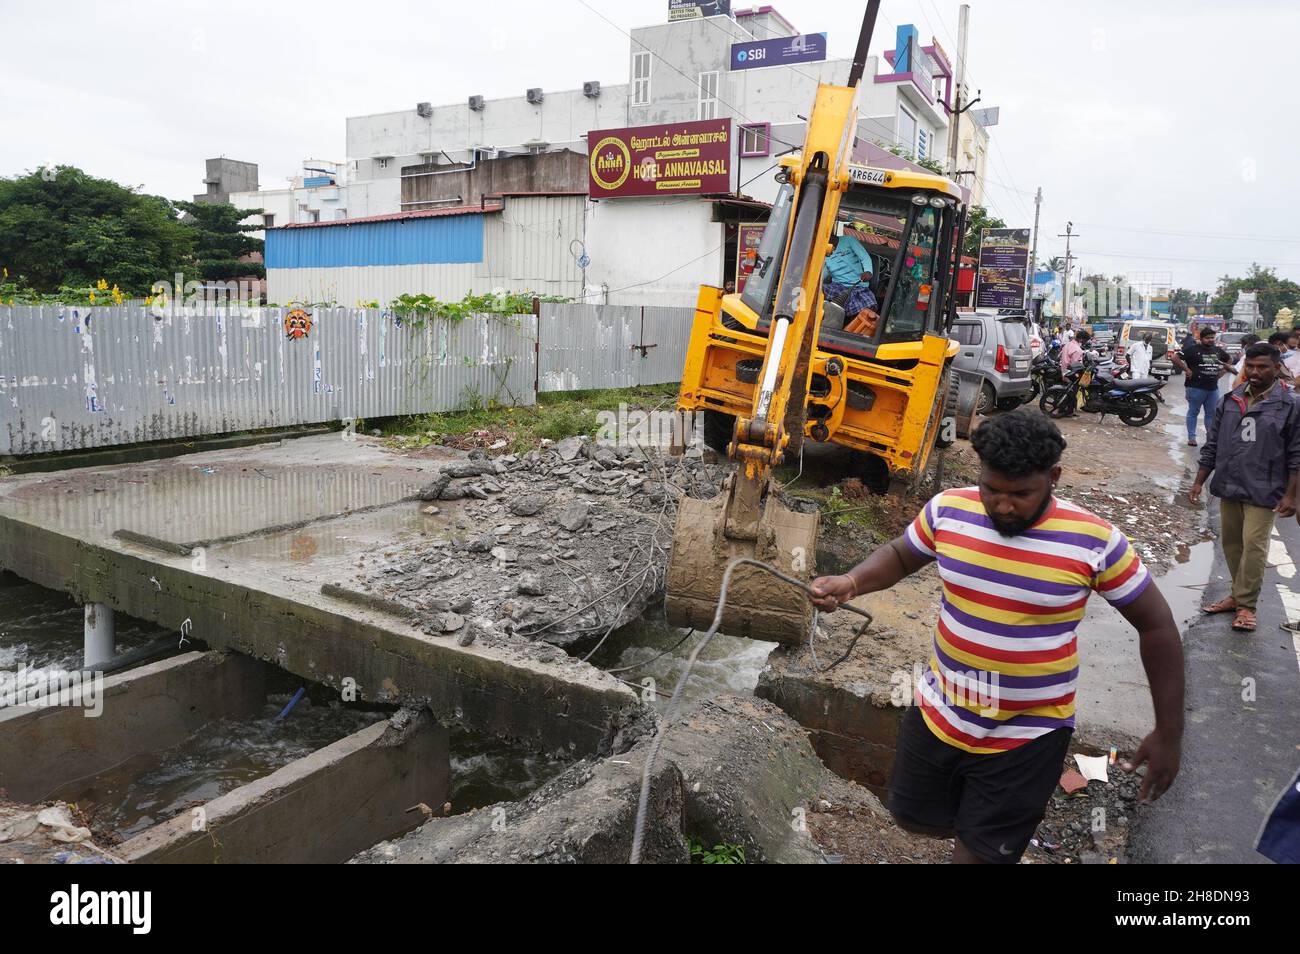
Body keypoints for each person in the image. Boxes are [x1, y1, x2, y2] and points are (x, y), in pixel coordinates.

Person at [809, 412, 1184, 864]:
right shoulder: (949, 509)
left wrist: (1168, 730)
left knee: (983, 853)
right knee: (911, 817)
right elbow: (900, 555)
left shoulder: (1094, 541)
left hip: (1028, 732)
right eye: (993, 490)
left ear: (1054, 478)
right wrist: (851, 582)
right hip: (939, 712)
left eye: (1021, 493)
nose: (1004, 506)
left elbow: (1158, 626)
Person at [1190, 343, 1300, 632]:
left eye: (1262, 367)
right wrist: (1200, 480)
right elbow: (1212, 444)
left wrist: (1291, 494)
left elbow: (1296, 453)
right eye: (1250, 366)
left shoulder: (1290, 404)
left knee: (1254, 546)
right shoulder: (1230, 399)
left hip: (1265, 488)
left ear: (1277, 368)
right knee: (1232, 543)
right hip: (1229, 483)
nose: (1254, 372)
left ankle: (1247, 607)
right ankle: (1238, 597)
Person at [1172, 326, 1232, 446]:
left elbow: (1229, 359)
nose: (1211, 340)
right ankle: (1192, 438)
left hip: (1212, 388)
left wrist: (1223, 372)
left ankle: (1210, 437)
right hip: (1195, 387)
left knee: (1211, 414)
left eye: (1212, 337)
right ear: (1201, 338)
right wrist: (1186, 369)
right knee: (1193, 412)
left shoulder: (1217, 350)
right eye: (1208, 338)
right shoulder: (1192, 349)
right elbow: (1175, 357)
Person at [821, 229, 877, 325]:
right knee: (816, 294)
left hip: (858, 286)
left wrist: (868, 271)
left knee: (869, 308)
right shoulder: (823, 250)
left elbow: (864, 257)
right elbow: (824, 273)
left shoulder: (849, 240)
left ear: (831, 233)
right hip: (837, 286)